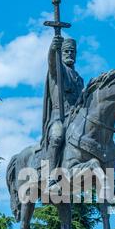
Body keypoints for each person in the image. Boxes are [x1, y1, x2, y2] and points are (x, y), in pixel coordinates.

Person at [41, 35, 84, 190]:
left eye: (73, 52)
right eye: (66, 51)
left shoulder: (79, 79)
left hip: (74, 118)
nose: (70, 54)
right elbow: (52, 62)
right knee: (57, 136)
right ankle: (51, 176)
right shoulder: (57, 70)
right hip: (58, 116)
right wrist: (53, 48)